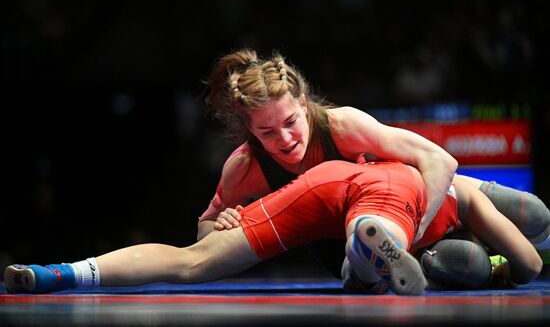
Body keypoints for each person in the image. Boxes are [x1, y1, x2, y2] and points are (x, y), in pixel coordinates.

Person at [4, 160, 543, 296]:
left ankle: (64, 273)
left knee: (191, 263)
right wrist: (500, 271)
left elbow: (200, 234)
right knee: (379, 224)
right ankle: (365, 261)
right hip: (388, 198)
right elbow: (531, 263)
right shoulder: (466, 191)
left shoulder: (357, 141)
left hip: (323, 185)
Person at [198, 48, 458, 276]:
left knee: (482, 206)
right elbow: (204, 232)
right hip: (344, 261)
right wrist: (221, 224)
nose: (285, 139)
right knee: (470, 263)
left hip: (396, 226)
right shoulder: (244, 166)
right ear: (250, 130)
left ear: (303, 104)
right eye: (267, 132)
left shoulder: (344, 127)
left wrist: (417, 231)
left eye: (290, 122)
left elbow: (440, 160)